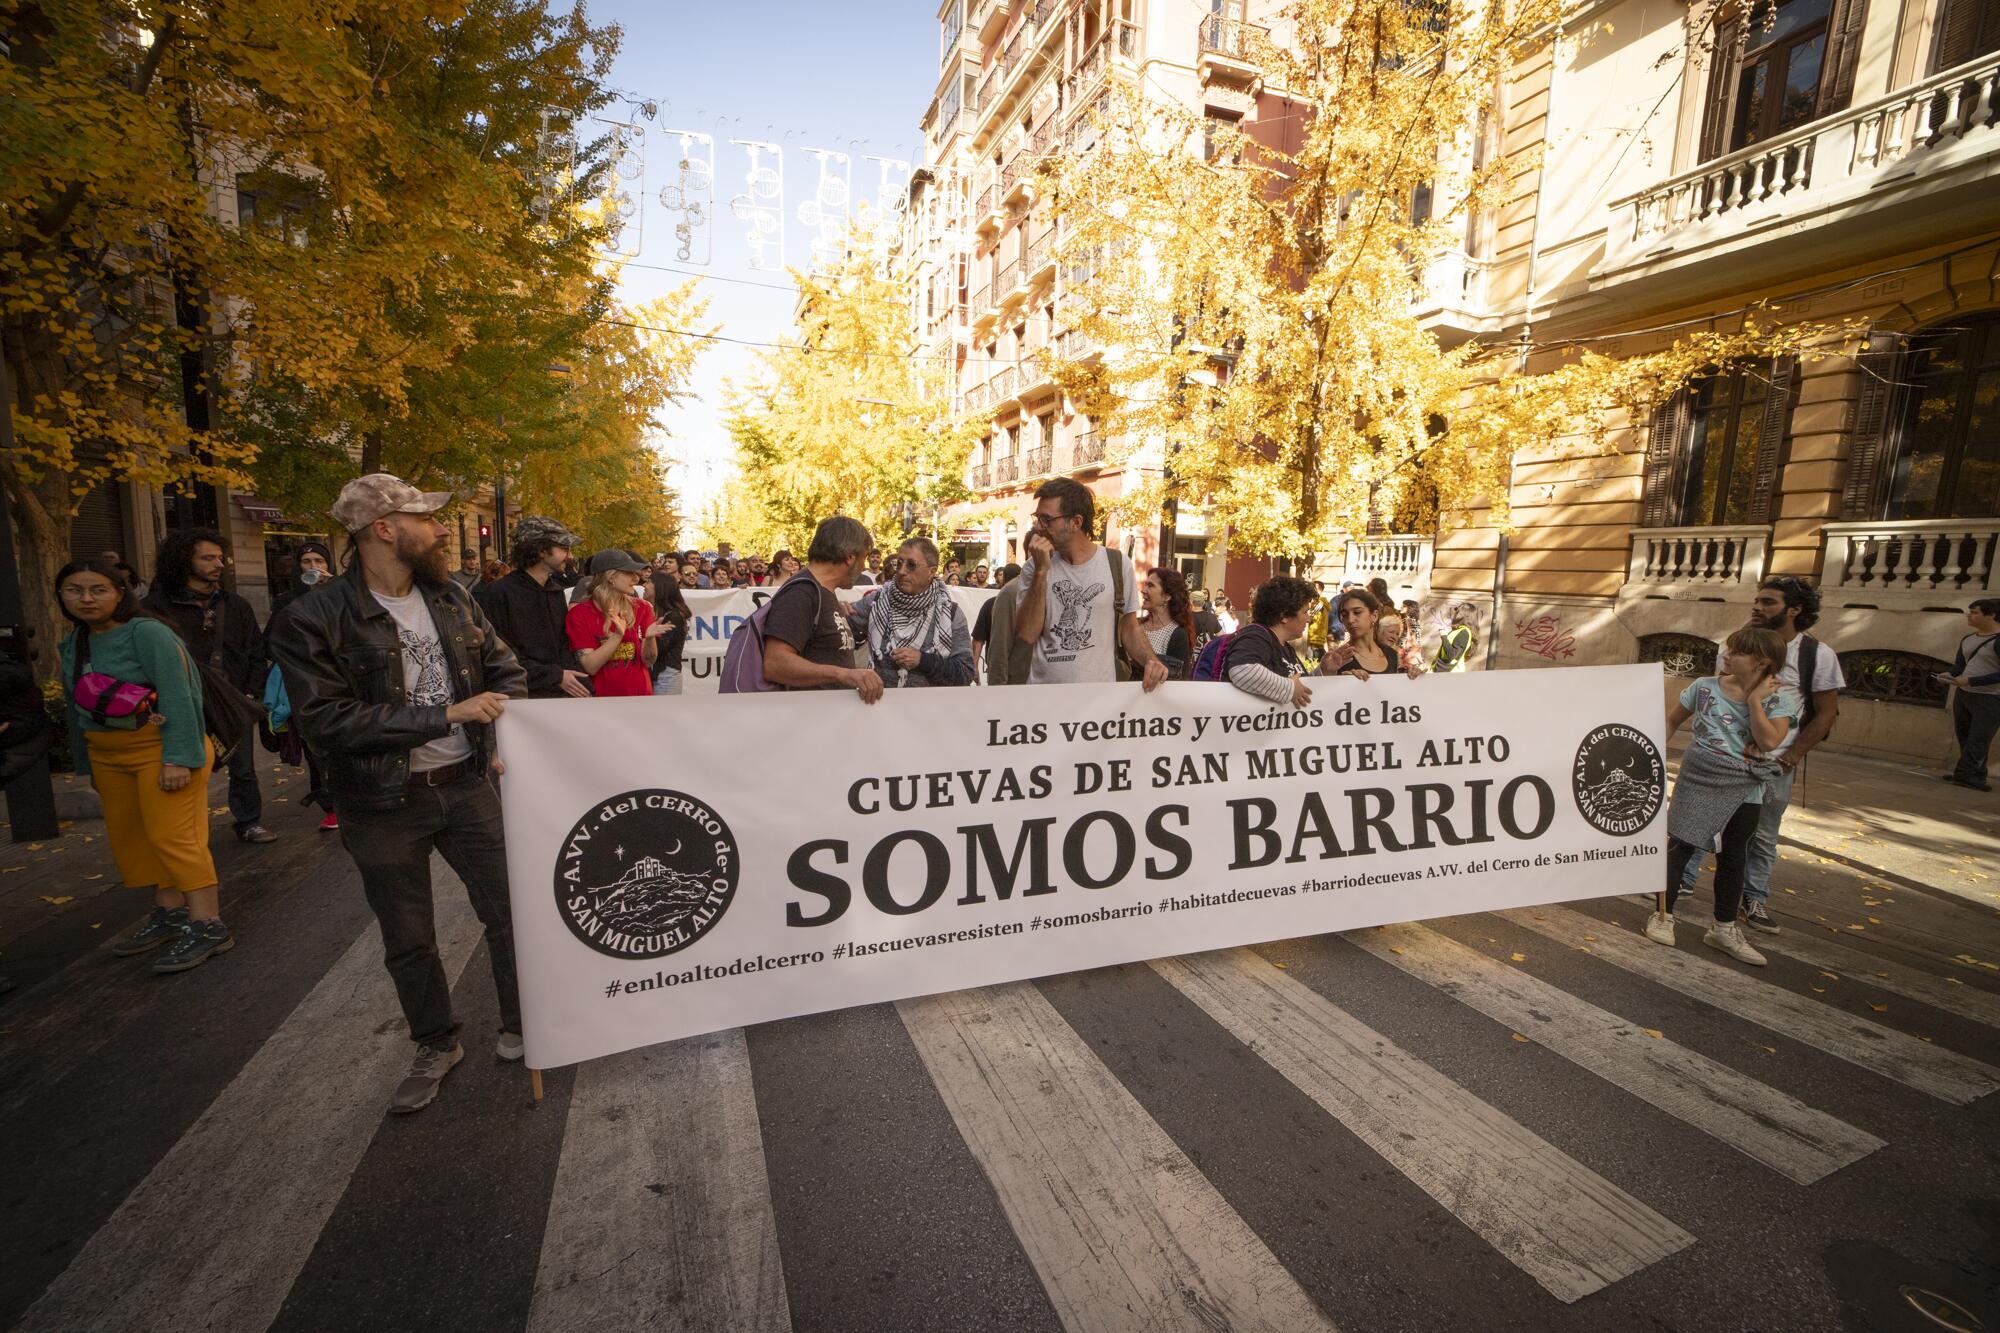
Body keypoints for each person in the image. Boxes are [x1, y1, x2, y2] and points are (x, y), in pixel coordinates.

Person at [269, 473, 528, 1113]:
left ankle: (526, 1022)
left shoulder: (452, 599)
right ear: (385, 529)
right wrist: (447, 716)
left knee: (511, 913)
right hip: (380, 804)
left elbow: (506, 671)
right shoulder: (311, 618)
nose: (441, 529)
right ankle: (437, 1041)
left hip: (466, 789)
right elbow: (326, 721)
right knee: (409, 935)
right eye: (427, 518)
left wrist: (500, 741)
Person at [57, 559, 233, 974]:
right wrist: (88, 767)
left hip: (162, 749)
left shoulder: (148, 633)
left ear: (120, 593)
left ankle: (208, 925)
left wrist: (179, 757)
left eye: (97, 589)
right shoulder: (76, 640)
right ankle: (169, 913)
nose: (86, 598)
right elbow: (76, 708)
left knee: (174, 836)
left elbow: (180, 695)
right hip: (108, 755)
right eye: (74, 590)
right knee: (135, 839)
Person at [1672, 575, 1844, 934]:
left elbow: (1826, 712)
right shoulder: (1738, 646)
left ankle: (1754, 899)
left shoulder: (1817, 655)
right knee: (1696, 828)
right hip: (1718, 762)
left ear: (1795, 610)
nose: (1758, 607)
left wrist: (1791, 756)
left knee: (1759, 836)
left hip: (1772, 763)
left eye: (1769, 602)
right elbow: (1716, 696)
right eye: (1758, 600)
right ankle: (1681, 885)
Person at [1644, 627, 1801, 965]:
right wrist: (1651, 756)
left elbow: (1768, 742)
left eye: (1736, 652)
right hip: (1699, 777)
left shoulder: (1779, 699)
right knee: (1681, 845)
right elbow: (1671, 721)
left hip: (1746, 786)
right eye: (1727, 650)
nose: (1725, 656)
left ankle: (1723, 928)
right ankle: (1662, 915)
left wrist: (1756, 700)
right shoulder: (1704, 688)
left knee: (1733, 855)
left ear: (1762, 663)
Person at [143, 528, 276, 845]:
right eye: (208, 558)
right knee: (186, 768)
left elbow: (256, 652)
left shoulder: (236, 605)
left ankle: (248, 821)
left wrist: (249, 693)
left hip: (231, 701)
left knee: (242, 767)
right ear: (182, 561)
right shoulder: (155, 607)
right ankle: (188, 830)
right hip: (181, 703)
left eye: (220, 557)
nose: (218, 564)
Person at [1015, 478, 1169, 690]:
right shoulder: (1034, 567)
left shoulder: (1117, 564)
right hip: (1045, 700)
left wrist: (1151, 661)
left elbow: (1129, 627)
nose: (1039, 526)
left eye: (1047, 519)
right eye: (1038, 518)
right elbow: (1027, 634)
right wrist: (1041, 571)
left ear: (1076, 522)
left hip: (1098, 704)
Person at [761, 516, 883, 700]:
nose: (864, 566)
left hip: (826, 719)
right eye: (864, 557)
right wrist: (843, 674)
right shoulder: (801, 592)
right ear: (850, 557)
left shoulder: (822, 592)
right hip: (809, 719)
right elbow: (775, 664)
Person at [268, 540, 340, 830]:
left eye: (319, 562)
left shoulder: (341, 595)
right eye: (307, 562)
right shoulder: (286, 602)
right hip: (304, 684)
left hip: (339, 681)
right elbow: (274, 643)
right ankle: (329, 803)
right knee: (315, 747)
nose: (314, 568)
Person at [478, 516, 591, 701]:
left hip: (560, 695)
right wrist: (554, 676)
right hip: (520, 698)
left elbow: (563, 644)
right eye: (564, 548)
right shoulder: (499, 593)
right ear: (541, 550)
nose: (570, 556)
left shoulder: (554, 590)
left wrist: (573, 678)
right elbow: (499, 653)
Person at [867, 538, 975, 689]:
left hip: (931, 709)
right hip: (881, 708)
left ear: (932, 571)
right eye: (899, 563)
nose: (902, 571)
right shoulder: (877, 601)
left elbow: (965, 674)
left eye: (911, 565)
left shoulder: (950, 613)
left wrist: (922, 660)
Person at [566, 550, 665, 697]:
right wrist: (617, 636)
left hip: (640, 698)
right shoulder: (579, 614)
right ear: (610, 577)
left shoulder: (642, 608)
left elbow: (648, 661)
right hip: (601, 702)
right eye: (629, 573)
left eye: (636, 573)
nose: (636, 578)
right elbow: (590, 666)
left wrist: (649, 639)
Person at [1220, 576, 1316, 709]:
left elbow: (1300, 688)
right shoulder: (1256, 637)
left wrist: (1325, 670)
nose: (1309, 619)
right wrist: (1288, 688)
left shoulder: (1285, 648)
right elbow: (1242, 670)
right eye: (1305, 612)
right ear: (1284, 616)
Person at [1946, 598, 2000, 791]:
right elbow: (1960, 666)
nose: (1970, 615)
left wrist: (1971, 681)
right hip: (1964, 694)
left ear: (1991, 615)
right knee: (1965, 735)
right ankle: (1969, 773)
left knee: (1979, 737)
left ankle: (1967, 775)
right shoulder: (1968, 639)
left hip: (1991, 697)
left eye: (1975, 612)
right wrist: (1949, 675)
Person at [1319, 588, 1395, 679]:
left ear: (1374, 616)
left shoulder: (1392, 655)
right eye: (1344, 615)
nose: (1350, 620)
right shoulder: (1339, 660)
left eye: (1357, 612)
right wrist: (1334, 678)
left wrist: (1414, 678)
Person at [1138, 567, 1196, 680]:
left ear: (1166, 596)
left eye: (1150, 586)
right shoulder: (1136, 626)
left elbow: (1178, 683)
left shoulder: (1177, 634)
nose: (1143, 590)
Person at [650, 566, 692, 695]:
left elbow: (659, 649)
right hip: (659, 675)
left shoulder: (673, 617)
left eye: (648, 582)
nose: (644, 585)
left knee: (664, 714)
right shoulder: (661, 614)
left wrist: (645, 638)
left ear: (659, 587)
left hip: (665, 678)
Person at [1432, 604, 1477, 673]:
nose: (1454, 615)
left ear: (1462, 615)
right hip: (1444, 672)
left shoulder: (1464, 633)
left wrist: (1444, 636)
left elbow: (1451, 655)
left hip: (1451, 674)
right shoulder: (1459, 631)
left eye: (1457, 612)